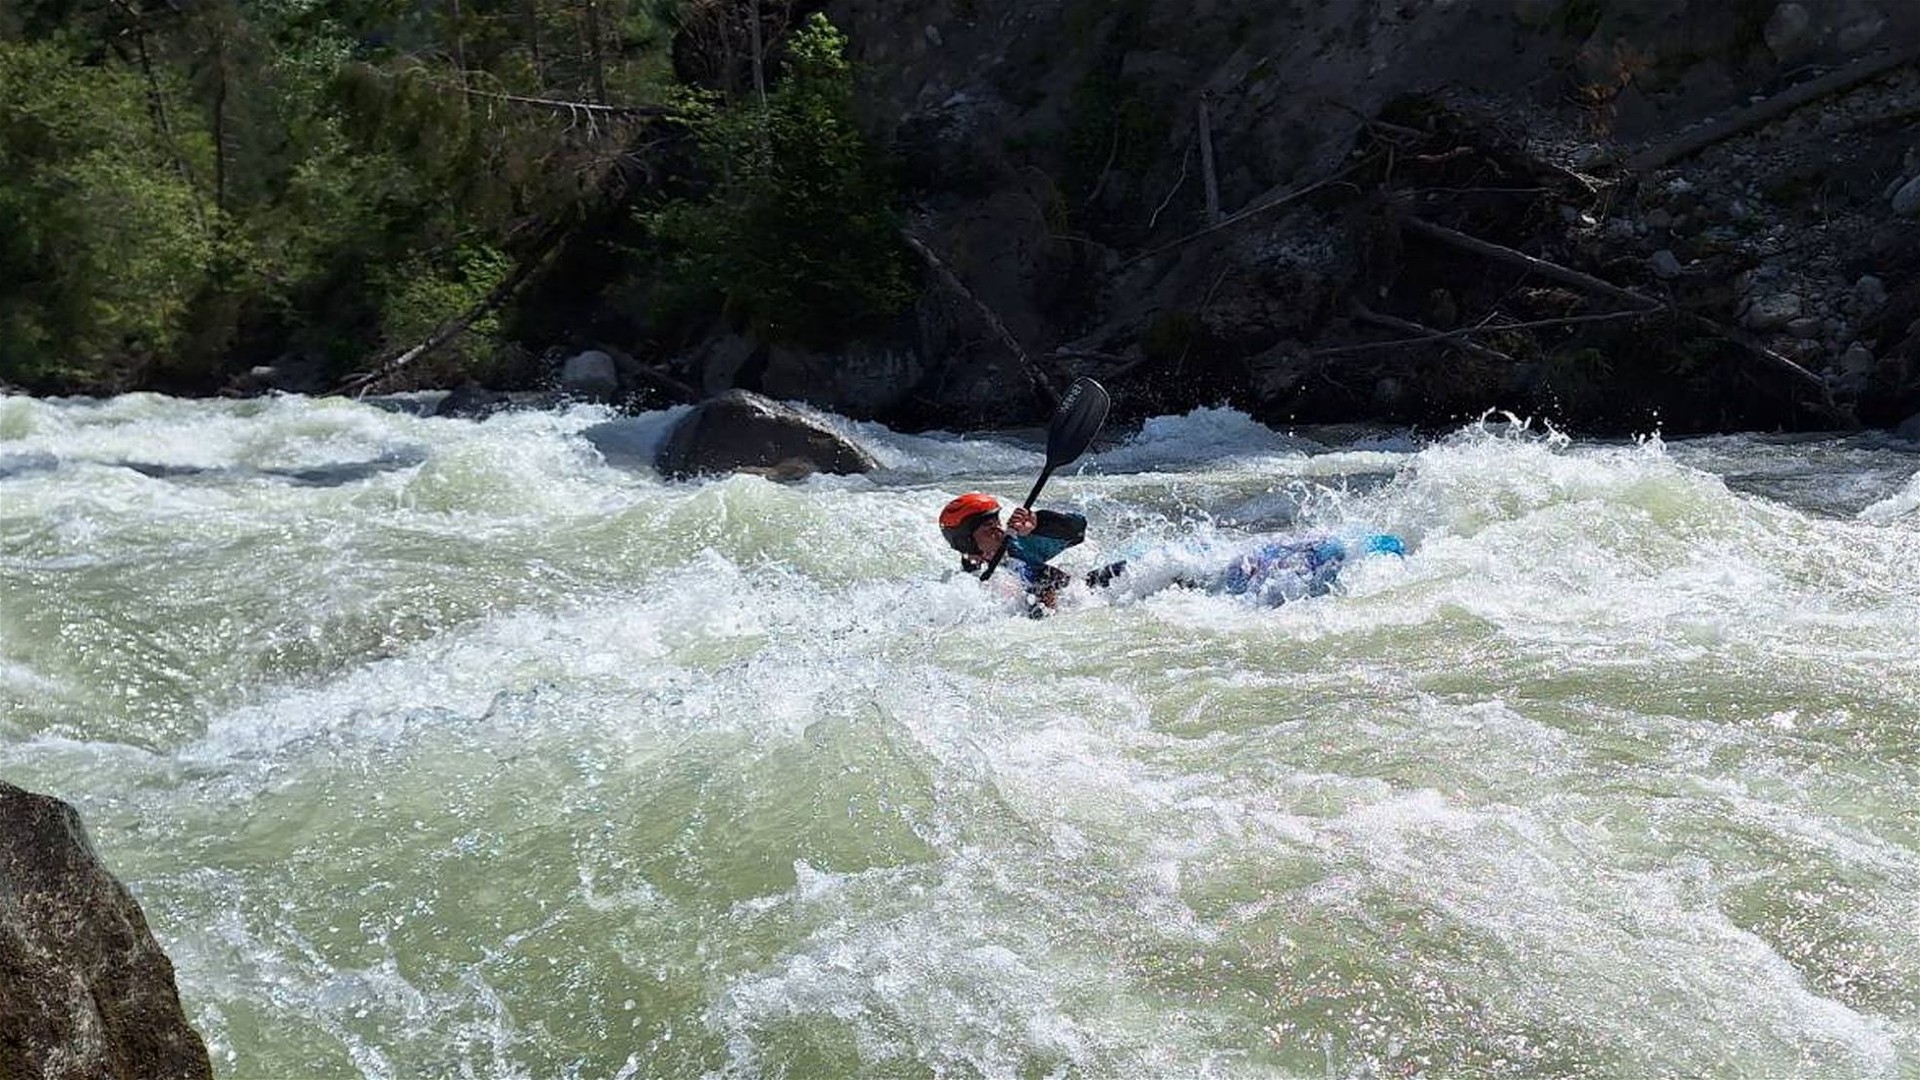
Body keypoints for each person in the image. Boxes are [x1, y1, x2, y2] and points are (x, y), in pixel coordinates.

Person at [938, 492, 1126, 612]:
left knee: (1129, 570)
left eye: (997, 521)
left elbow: (1077, 531)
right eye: (989, 527)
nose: (999, 529)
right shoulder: (966, 584)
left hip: (1086, 596)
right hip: (1052, 622)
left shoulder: (1019, 543)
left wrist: (1038, 524)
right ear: (967, 541)